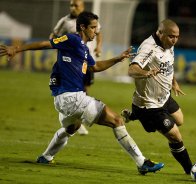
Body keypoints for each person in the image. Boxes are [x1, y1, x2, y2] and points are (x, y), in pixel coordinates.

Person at [0, 11, 164, 175]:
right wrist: (17, 48)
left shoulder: (84, 49)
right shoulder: (72, 39)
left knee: (72, 127)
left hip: (63, 100)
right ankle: (142, 162)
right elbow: (45, 44)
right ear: (82, 27)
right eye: (93, 28)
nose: (95, 31)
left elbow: (95, 67)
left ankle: (46, 156)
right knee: (117, 120)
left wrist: (117, 58)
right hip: (72, 97)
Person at [121, 19, 193, 174]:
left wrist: (174, 83)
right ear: (160, 33)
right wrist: (146, 72)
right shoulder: (149, 48)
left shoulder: (168, 46)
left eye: (177, 37)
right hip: (150, 106)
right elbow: (132, 70)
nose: (174, 40)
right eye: (171, 36)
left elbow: (168, 65)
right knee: (175, 136)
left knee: (179, 120)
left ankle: (134, 116)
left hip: (164, 97)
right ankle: (191, 170)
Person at [49, 0, 103, 135]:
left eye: (76, 5)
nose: (73, 8)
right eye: (71, 5)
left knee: (85, 89)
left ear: (82, 7)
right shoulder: (65, 21)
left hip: (88, 61)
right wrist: (58, 47)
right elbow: (54, 35)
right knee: (75, 90)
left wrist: (98, 46)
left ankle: (78, 118)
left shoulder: (90, 20)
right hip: (73, 64)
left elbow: (99, 32)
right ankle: (76, 118)